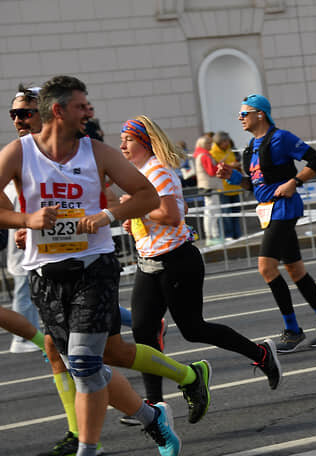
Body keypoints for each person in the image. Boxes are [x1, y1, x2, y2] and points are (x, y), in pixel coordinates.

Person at [0, 75, 192, 456]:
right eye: (81, 106)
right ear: (57, 111)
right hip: (44, 274)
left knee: (87, 363)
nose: (89, 111)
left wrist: (109, 213)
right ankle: (152, 418)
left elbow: (146, 194)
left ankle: (88, 448)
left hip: (93, 268)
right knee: (88, 364)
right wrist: (28, 221)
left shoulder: (99, 152)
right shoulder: (18, 153)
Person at [118, 116, 281, 413]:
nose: (121, 145)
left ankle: (261, 354)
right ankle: (155, 405)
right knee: (143, 332)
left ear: (144, 141)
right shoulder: (139, 172)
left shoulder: (158, 171)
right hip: (148, 262)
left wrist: (139, 210)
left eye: (127, 139)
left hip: (176, 261)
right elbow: (177, 209)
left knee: (193, 329)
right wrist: (136, 223)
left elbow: (171, 216)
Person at [217, 94, 316, 353]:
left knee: (266, 267)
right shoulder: (250, 148)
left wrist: (294, 182)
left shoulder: (281, 138)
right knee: (296, 270)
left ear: (260, 114)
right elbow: (252, 186)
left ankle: (293, 330)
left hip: (284, 209)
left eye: (245, 113)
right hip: (267, 211)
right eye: (240, 114)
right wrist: (232, 177)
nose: (240, 118)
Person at [6, 85, 42, 353]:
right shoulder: (15, 153)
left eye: (26, 113)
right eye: (14, 114)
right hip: (30, 249)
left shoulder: (81, 151)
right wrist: (23, 222)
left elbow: (107, 197)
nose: (18, 119)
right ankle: (33, 340)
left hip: (75, 257)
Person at [210, 132, 243, 240]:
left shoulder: (231, 150)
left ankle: (237, 234)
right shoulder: (212, 153)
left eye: (228, 141)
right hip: (223, 187)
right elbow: (214, 169)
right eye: (225, 141)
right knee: (226, 213)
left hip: (235, 186)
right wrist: (231, 165)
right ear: (219, 142)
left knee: (236, 212)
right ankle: (228, 234)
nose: (227, 143)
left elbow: (237, 160)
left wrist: (237, 165)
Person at [193, 135, 222, 245]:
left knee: (211, 211)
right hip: (209, 186)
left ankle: (213, 235)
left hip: (207, 186)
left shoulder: (200, 155)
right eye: (209, 144)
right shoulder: (205, 155)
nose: (211, 145)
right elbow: (211, 171)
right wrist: (219, 166)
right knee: (212, 212)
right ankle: (212, 235)